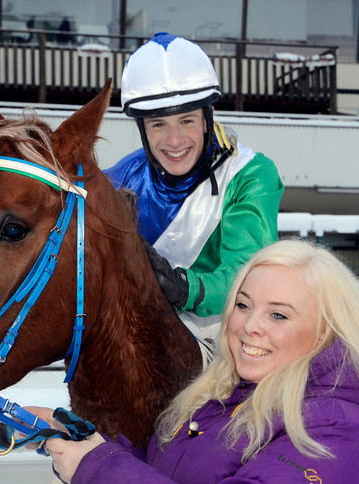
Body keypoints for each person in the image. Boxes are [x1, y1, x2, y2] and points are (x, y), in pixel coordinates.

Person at [32, 239, 359, 484]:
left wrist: (99, 471)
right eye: (243, 305)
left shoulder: (338, 431)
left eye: (279, 315)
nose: (248, 327)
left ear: (327, 331)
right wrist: (87, 444)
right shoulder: (230, 394)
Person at [105, 32, 284, 353]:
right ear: (143, 129)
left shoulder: (250, 174)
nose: (174, 141)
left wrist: (183, 289)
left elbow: (248, 275)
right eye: (158, 124)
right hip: (141, 338)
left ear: (206, 120)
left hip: (232, 338)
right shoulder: (117, 181)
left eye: (186, 121)